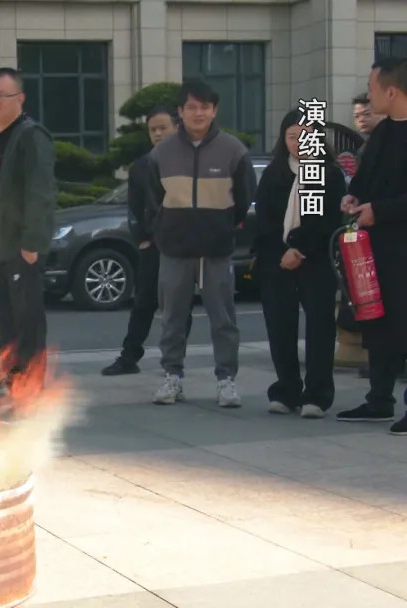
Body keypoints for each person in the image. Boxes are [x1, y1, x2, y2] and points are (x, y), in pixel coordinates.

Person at [146, 79, 257, 407]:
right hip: (175, 248)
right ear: (180, 111)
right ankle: (172, 377)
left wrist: (223, 225)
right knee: (172, 316)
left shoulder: (233, 150)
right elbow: (153, 199)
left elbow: (245, 196)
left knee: (223, 317)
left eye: (205, 107)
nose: (198, 113)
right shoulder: (162, 153)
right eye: (191, 107)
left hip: (216, 249)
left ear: (214, 110)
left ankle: (226, 380)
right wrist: (165, 228)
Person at [253, 109, 345, 419]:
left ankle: (317, 395)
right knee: (280, 326)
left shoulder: (327, 174)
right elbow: (263, 217)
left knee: (319, 327)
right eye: (291, 136)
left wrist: (299, 248)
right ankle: (286, 390)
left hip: (314, 261)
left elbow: (325, 220)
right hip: (275, 261)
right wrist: (281, 251)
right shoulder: (274, 172)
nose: (298, 142)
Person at [0, 67, 57, 388]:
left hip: (21, 248)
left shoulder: (31, 136)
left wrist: (31, 245)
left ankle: (29, 385)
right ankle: (2, 379)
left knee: (27, 321)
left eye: (0, 95)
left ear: (19, 98)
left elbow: (41, 193)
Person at [335, 57, 407, 435]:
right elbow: (364, 178)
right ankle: (379, 398)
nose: (369, 94)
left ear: (392, 91)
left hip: (402, 246)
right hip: (372, 246)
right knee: (375, 319)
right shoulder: (381, 133)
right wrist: (353, 198)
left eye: (373, 87)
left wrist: (379, 210)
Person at [102, 106, 192, 376]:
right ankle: (129, 357)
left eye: (163, 127)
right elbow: (134, 207)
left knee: (179, 305)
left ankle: (173, 362)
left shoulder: (190, 161)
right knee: (143, 302)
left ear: (177, 127)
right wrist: (141, 238)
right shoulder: (141, 166)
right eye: (152, 129)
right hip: (153, 245)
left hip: (184, 245)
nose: (157, 133)